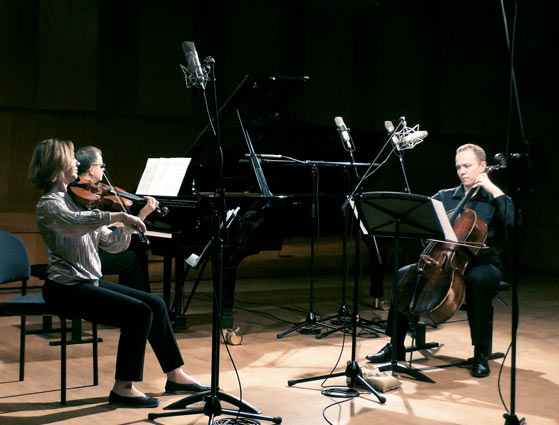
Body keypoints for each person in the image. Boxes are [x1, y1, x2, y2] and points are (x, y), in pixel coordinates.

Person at [28, 138, 209, 407]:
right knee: (138, 313)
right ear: (56, 165)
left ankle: (175, 375)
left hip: (89, 282)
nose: (78, 162)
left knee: (156, 304)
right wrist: (120, 217)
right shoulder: (50, 205)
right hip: (65, 289)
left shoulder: (79, 202)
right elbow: (76, 225)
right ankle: (123, 387)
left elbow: (113, 245)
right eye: (71, 158)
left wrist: (140, 217)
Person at [365, 143, 513, 378]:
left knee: (476, 280)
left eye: (468, 165)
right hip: (445, 260)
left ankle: (481, 353)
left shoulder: (494, 199)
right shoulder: (445, 196)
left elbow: (512, 224)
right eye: (458, 167)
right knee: (405, 274)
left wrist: (495, 190)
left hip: (483, 262)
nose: (462, 171)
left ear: (483, 166)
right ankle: (396, 345)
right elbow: (421, 218)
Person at [74, 146, 152, 293]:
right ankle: (136, 308)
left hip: (80, 252)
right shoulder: (84, 197)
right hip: (87, 257)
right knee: (136, 257)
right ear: (91, 169)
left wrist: (117, 222)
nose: (103, 169)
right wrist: (141, 215)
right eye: (101, 166)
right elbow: (111, 242)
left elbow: (95, 224)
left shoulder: (77, 190)